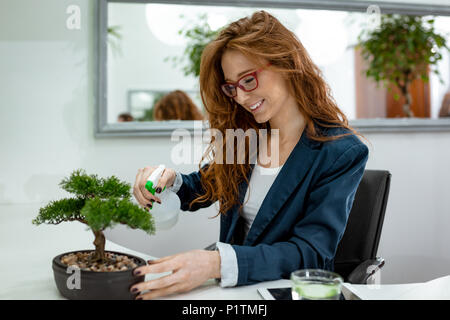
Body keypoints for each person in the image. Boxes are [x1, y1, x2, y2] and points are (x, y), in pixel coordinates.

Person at [130, 10, 369, 300]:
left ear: (285, 63)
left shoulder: (341, 152)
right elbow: (202, 187)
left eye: (248, 80)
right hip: (239, 291)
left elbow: (310, 254)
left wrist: (216, 263)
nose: (241, 97)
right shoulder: (247, 137)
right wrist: (167, 179)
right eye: (231, 87)